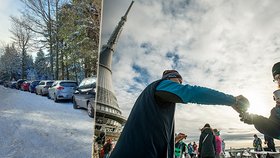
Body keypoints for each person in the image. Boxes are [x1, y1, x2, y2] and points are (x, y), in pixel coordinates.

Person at [109, 70, 250, 158]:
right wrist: (232, 100)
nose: (180, 84)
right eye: (178, 81)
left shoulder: (160, 105)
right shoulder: (160, 85)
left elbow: (152, 134)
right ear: (169, 78)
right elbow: (192, 92)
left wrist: (174, 140)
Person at [240, 62, 280, 139]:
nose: (279, 81)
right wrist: (256, 120)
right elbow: (276, 130)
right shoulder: (276, 110)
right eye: (276, 78)